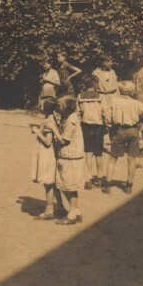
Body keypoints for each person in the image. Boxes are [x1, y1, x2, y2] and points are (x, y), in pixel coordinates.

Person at [101, 81, 143, 195]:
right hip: (133, 131)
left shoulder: (113, 101)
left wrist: (110, 126)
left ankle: (108, 184)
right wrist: (141, 120)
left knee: (113, 157)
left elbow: (106, 117)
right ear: (131, 91)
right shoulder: (136, 103)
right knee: (131, 159)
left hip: (118, 131)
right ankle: (129, 185)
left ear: (120, 90)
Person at [51, 97, 86, 225]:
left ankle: (71, 216)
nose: (57, 107)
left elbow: (64, 140)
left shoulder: (71, 120)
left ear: (67, 107)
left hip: (71, 158)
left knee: (70, 187)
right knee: (66, 186)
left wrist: (53, 129)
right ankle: (75, 211)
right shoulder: (69, 117)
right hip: (70, 157)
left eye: (60, 105)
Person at [30, 99, 59, 220]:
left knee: (48, 183)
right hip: (50, 154)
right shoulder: (53, 119)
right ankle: (59, 207)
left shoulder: (48, 122)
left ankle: (49, 210)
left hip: (47, 155)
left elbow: (48, 142)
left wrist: (37, 131)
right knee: (51, 183)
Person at [77, 74, 106, 190]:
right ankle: (99, 178)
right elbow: (105, 112)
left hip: (85, 126)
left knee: (88, 153)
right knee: (98, 154)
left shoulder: (80, 96)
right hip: (98, 126)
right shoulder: (100, 97)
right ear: (95, 84)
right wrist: (107, 124)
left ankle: (87, 179)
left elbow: (78, 113)